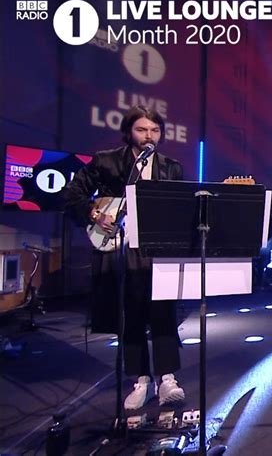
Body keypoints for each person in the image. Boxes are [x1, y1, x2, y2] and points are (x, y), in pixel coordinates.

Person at [64, 105, 185, 410]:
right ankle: (140, 380)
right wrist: (95, 214)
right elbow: (73, 192)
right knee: (130, 313)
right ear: (129, 132)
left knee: (163, 311)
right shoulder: (107, 161)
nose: (149, 136)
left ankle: (167, 378)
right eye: (142, 130)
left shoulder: (171, 167)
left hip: (156, 247)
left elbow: (178, 206)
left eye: (155, 130)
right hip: (121, 247)